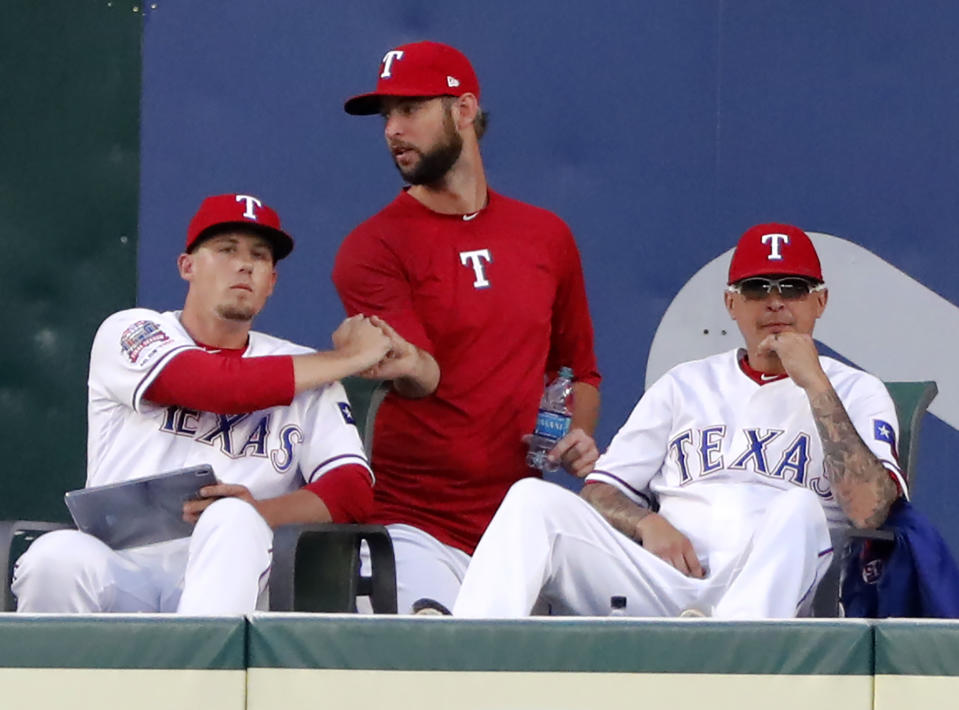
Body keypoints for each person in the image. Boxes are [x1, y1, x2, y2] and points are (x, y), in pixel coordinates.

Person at [454, 223, 905, 618]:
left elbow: (870, 510)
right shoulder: (685, 384)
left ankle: (729, 669)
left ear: (820, 301)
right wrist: (647, 524)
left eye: (792, 288)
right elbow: (600, 491)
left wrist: (815, 384)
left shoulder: (855, 391)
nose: (774, 303)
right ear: (731, 304)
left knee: (799, 507)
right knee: (532, 500)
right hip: (665, 580)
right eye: (756, 289)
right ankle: (457, 670)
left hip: (771, 595)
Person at [12, 193, 392, 614]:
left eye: (260, 256)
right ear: (187, 266)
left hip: (235, 571)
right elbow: (213, 386)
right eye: (226, 249)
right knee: (53, 559)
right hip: (121, 567)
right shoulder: (131, 331)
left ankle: (203, 680)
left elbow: (352, 488)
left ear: (272, 282)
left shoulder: (313, 375)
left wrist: (260, 511)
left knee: (231, 520)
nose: (244, 264)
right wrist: (350, 359)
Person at [333, 40, 602, 614]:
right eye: (386, 116)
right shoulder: (371, 247)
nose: (392, 130)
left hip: (523, 530)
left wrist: (572, 434)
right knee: (435, 667)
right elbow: (422, 374)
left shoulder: (545, 236)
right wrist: (402, 362)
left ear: (463, 110)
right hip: (412, 527)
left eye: (410, 110)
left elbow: (578, 369)